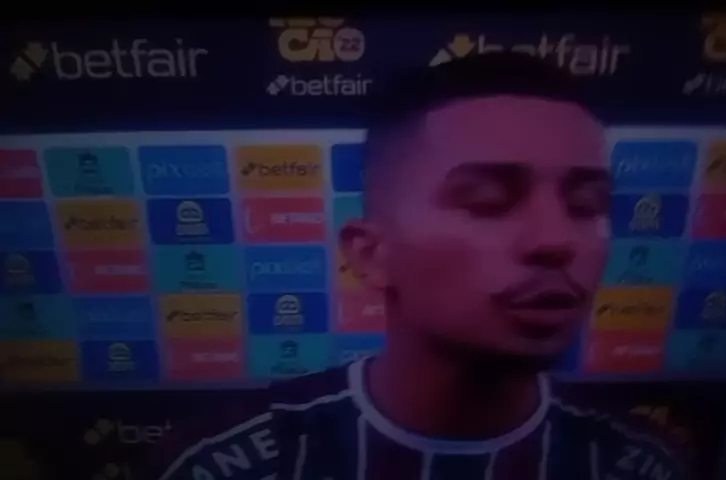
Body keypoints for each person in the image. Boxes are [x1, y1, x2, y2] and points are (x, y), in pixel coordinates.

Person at [151, 52, 689, 480]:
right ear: (370, 253)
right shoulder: (231, 464)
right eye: (488, 201)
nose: (556, 240)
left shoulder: (639, 466)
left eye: (588, 206)